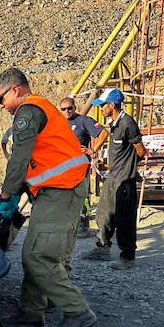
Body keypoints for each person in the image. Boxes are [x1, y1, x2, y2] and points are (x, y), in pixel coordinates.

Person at [0, 67, 96, 327]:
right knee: (37, 251)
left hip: (61, 191)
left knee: (39, 256)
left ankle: (77, 311)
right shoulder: (41, 109)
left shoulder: (28, 111)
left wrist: (7, 196)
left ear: (14, 90)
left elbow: (19, 158)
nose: (2, 107)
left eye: (0, 100)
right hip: (58, 191)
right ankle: (31, 312)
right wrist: (22, 192)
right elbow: (41, 161)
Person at [82, 88, 146, 270]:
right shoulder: (115, 124)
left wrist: (130, 168)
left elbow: (140, 151)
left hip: (124, 179)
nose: (101, 109)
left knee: (124, 218)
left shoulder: (128, 123)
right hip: (113, 177)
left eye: (103, 106)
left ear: (112, 105)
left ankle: (128, 257)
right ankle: (102, 248)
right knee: (104, 213)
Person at [59, 96, 109, 237]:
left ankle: (83, 224)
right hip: (63, 166)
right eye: (64, 109)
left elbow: (104, 132)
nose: (67, 111)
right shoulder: (59, 123)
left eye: (70, 108)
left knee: (82, 195)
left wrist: (93, 149)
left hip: (80, 166)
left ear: (74, 107)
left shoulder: (83, 121)